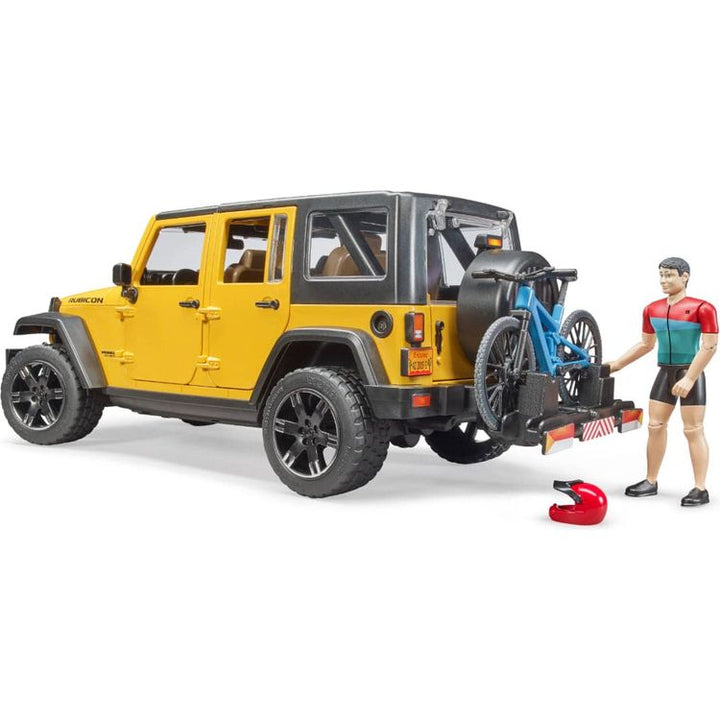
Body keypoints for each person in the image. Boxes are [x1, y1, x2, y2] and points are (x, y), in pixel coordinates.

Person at [607, 257, 718, 506]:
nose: (663, 280)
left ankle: (700, 488)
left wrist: (690, 378)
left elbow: (710, 346)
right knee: (655, 426)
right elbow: (646, 344)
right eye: (661, 275)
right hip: (665, 372)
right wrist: (617, 364)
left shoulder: (703, 308)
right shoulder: (652, 309)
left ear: (685, 277)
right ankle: (651, 480)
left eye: (669, 275)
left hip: (690, 372)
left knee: (693, 429)